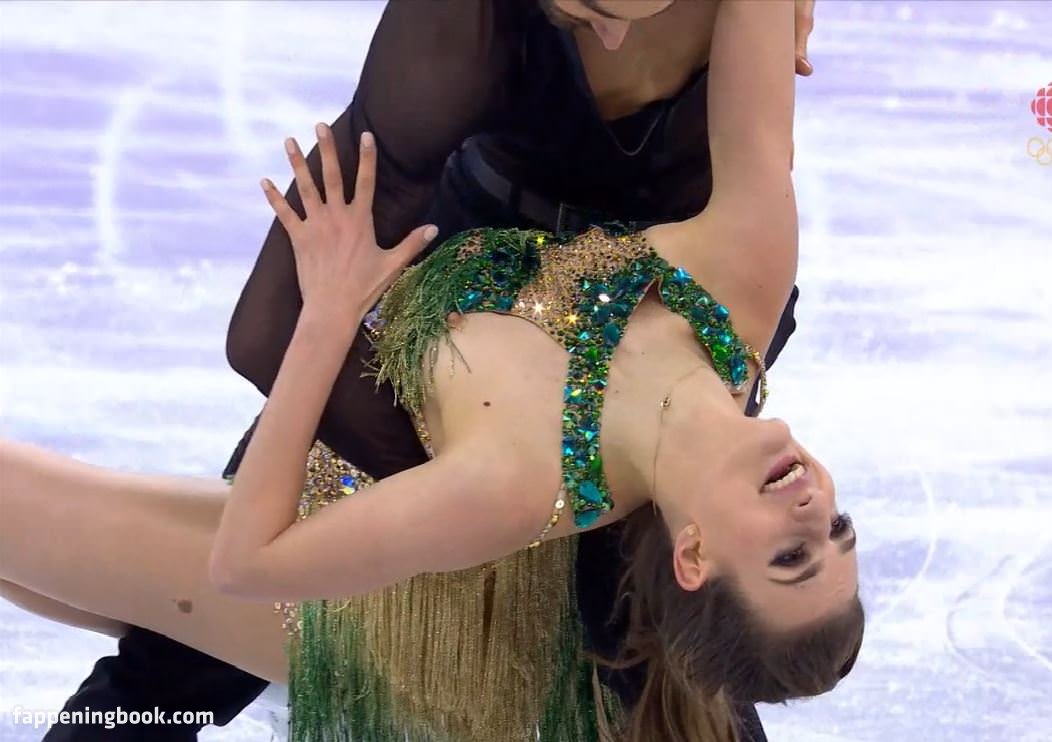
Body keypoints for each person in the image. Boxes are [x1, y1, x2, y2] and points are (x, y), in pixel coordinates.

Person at [14, 1, 831, 740]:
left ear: (694, 555)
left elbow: (250, 555)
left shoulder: (508, 484)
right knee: (169, 659)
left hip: (396, 605)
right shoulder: (744, 277)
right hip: (412, 558)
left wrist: (332, 314)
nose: (814, 512)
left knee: (165, 644)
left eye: (794, 554)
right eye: (836, 529)